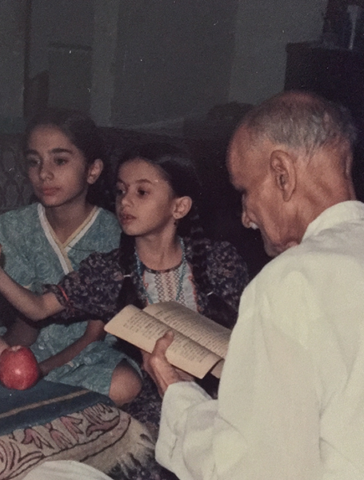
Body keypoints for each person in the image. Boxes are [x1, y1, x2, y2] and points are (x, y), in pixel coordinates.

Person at [143, 91, 364, 480]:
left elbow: (253, 468)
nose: (246, 217)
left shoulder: (290, 281)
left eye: (245, 191)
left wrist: (176, 393)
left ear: (282, 173)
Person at [0, 142, 249, 403]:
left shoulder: (219, 261)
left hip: (223, 398)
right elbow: (38, 309)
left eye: (142, 192)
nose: (125, 202)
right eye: (121, 191)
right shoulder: (109, 271)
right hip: (153, 405)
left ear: (180, 206)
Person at [0, 108, 141, 406]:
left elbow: (94, 336)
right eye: (34, 162)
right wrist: (8, 349)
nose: (44, 173)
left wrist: (40, 370)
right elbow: (29, 321)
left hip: (86, 353)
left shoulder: (115, 233)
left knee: (124, 384)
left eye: (60, 161)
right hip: (30, 346)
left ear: (92, 170)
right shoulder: (13, 227)